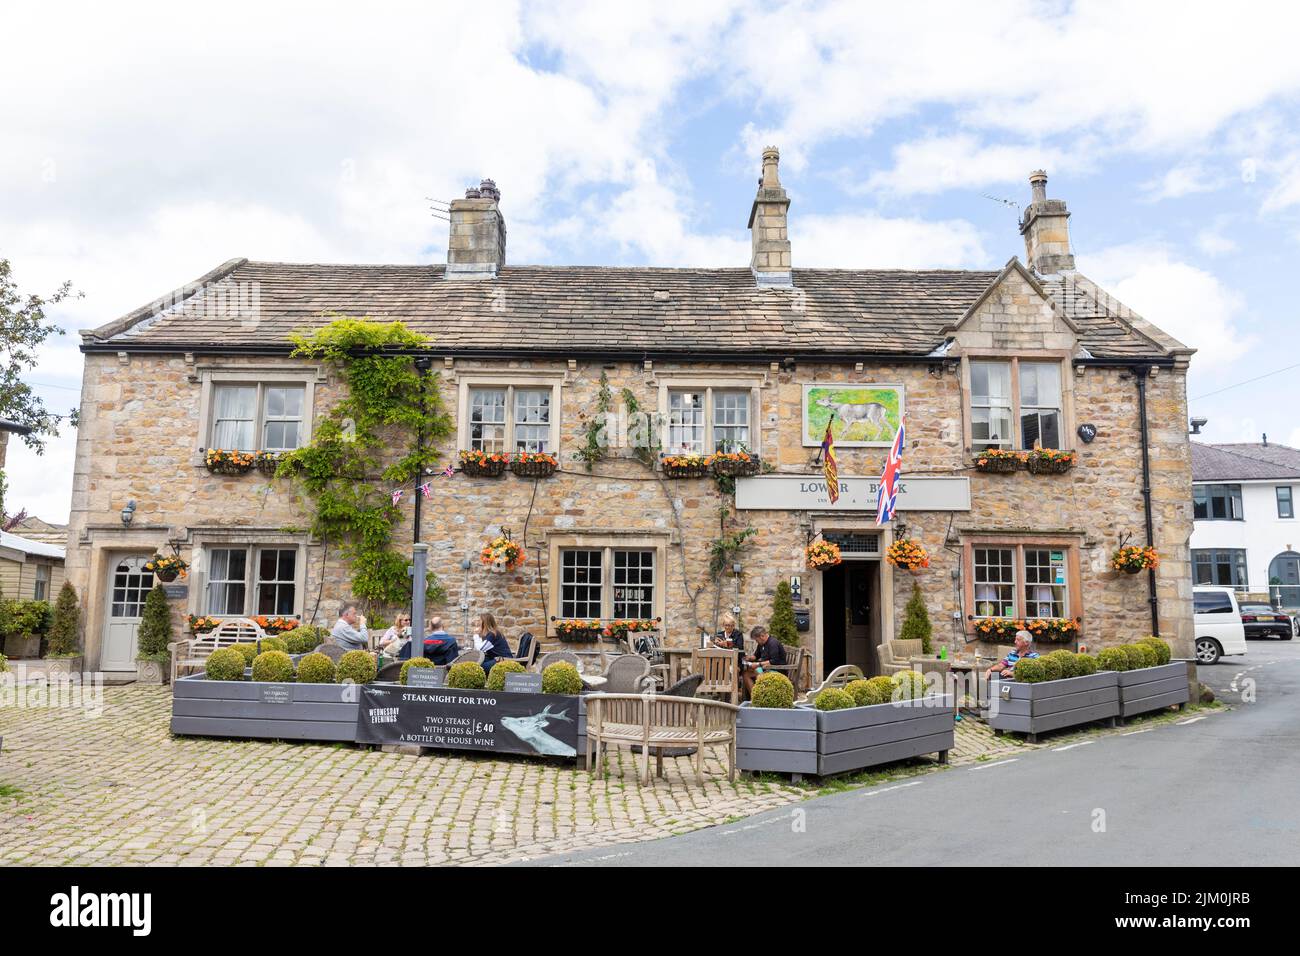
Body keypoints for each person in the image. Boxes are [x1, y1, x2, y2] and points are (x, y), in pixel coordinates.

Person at [741, 625, 787, 698]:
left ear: (762, 636)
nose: (756, 642)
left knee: (757, 671)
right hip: (766, 669)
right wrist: (748, 658)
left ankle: (760, 698)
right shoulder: (761, 644)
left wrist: (758, 664)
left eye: (756, 640)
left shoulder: (773, 643)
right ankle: (754, 697)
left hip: (778, 670)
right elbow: (756, 656)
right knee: (746, 674)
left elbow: (774, 661)